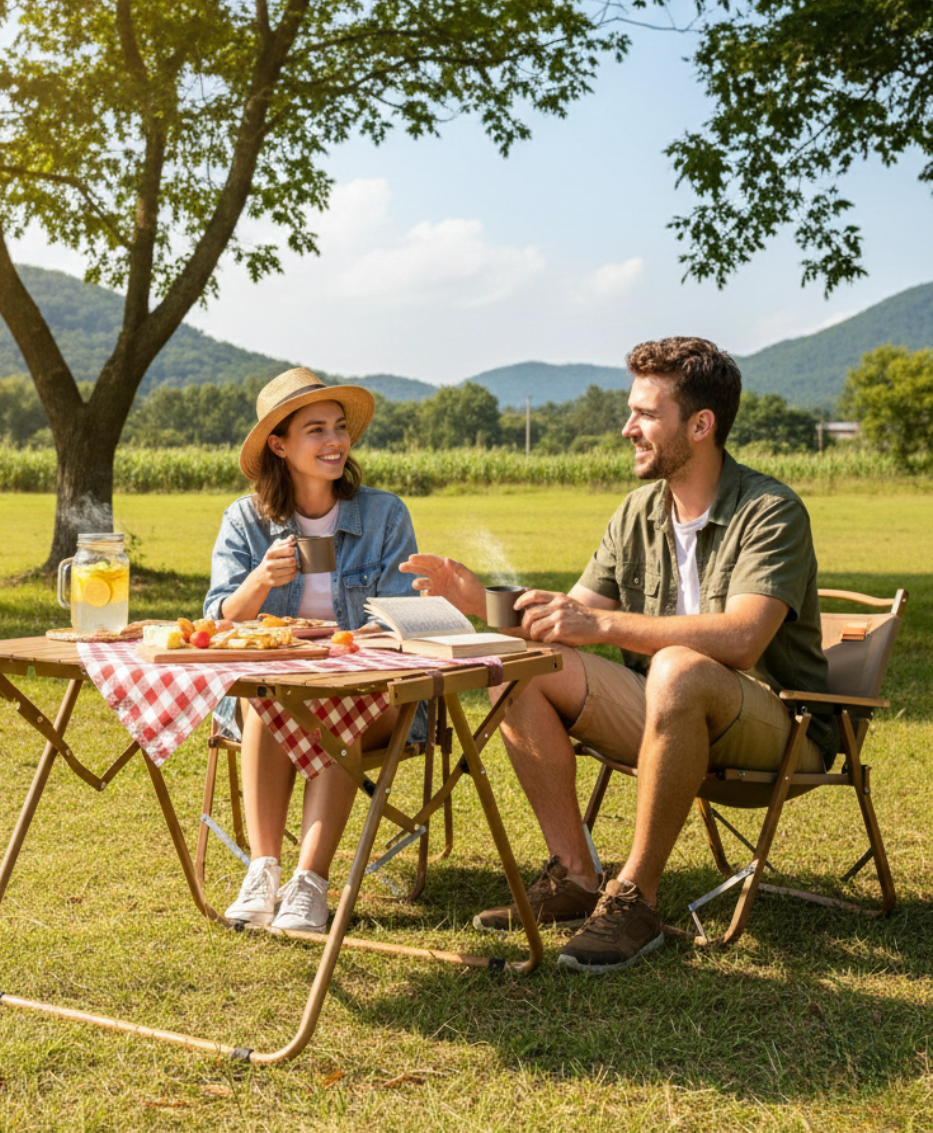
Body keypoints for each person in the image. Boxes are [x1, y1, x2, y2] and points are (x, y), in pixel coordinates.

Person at [403, 337, 831, 972]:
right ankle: (577, 877)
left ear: (701, 424)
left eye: (646, 414)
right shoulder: (636, 512)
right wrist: (475, 599)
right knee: (521, 674)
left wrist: (600, 621)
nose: (628, 427)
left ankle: (635, 898)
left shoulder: (770, 511)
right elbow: (560, 626)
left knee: (678, 665)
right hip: (668, 712)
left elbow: (742, 639)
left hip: (780, 727)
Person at [204, 367, 424, 933]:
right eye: (315, 430)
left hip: (375, 698)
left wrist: (359, 644)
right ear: (279, 444)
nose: (334, 442)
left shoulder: (383, 515)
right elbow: (215, 622)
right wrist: (258, 582)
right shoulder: (245, 521)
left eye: (339, 429)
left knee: (336, 700)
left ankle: (310, 883)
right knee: (267, 698)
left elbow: (406, 619)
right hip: (271, 699)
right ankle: (263, 871)